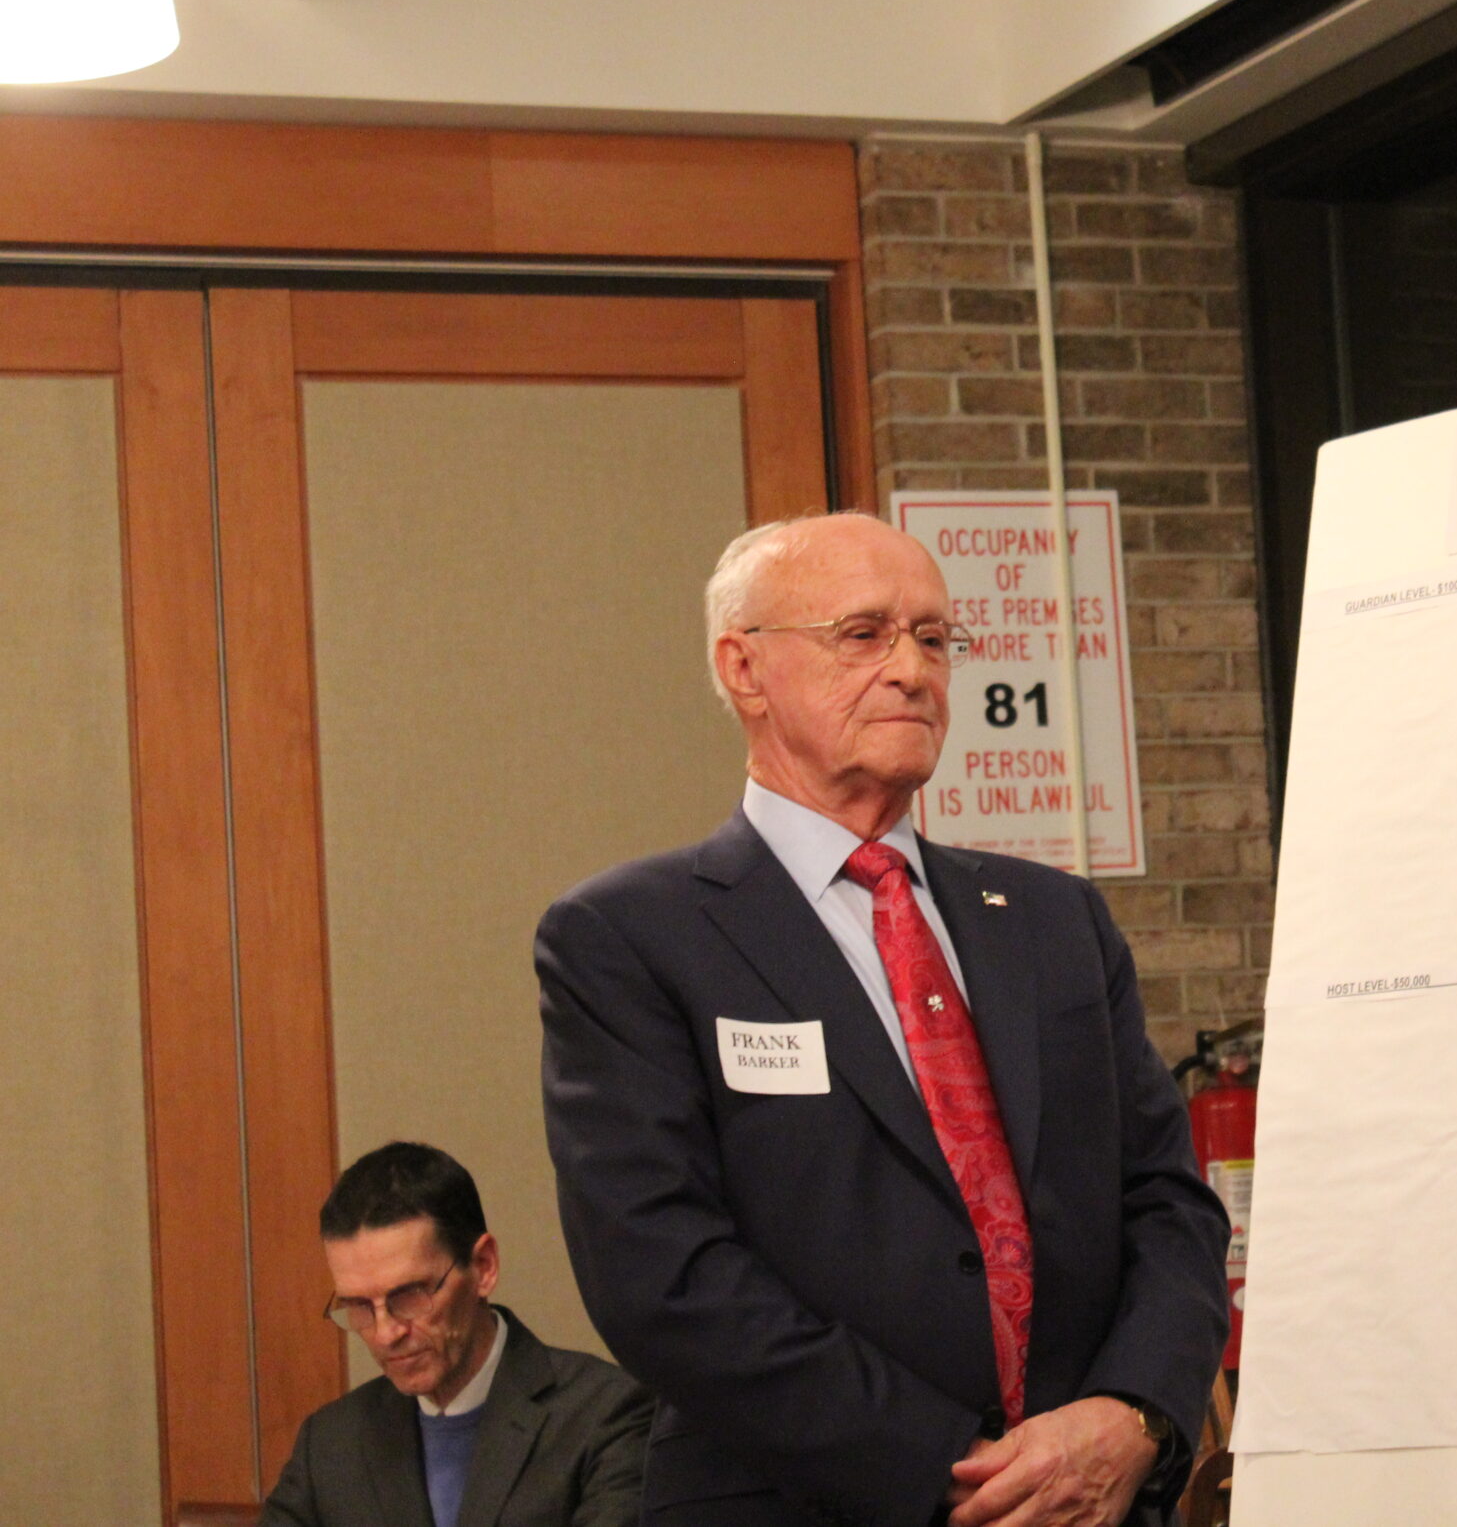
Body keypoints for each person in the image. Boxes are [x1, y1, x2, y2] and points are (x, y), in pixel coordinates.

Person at [537, 512, 1229, 1527]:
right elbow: (662, 1273)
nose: (912, 670)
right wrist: (964, 1471)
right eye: (862, 635)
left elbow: (1169, 1204)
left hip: (1095, 1501)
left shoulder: (1054, 920)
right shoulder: (631, 937)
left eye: (934, 638)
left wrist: (1132, 1415)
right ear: (743, 669)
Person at [262, 1141, 652, 1527]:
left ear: (483, 1266)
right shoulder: (330, 1443)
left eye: (409, 1295)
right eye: (360, 1306)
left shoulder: (606, 1415)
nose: (385, 1334)